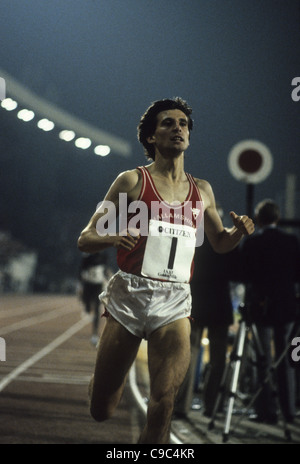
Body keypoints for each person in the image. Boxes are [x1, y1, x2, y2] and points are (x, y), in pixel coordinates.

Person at [77, 97, 254, 444]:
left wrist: (238, 234)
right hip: (130, 297)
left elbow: (219, 242)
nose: (178, 128)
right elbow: (85, 238)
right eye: (168, 123)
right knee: (102, 409)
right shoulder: (131, 182)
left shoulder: (202, 190)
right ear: (151, 139)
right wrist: (113, 236)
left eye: (183, 124)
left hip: (174, 302)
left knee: (163, 403)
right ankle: (100, 383)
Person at [174, 206, 239, 419]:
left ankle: (181, 406)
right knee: (218, 359)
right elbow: (236, 271)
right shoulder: (227, 241)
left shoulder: (191, 238)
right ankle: (212, 405)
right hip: (220, 304)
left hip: (195, 302)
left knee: (188, 356)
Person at [239, 199, 300, 424]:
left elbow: (243, 275)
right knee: (286, 360)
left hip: (261, 307)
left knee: (262, 359)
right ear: (277, 217)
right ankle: (289, 410)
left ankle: (266, 411)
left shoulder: (253, 244)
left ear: (259, 219)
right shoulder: (292, 241)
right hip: (286, 307)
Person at [79, 252, 111, 346]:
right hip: (88, 284)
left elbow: (105, 269)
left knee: (97, 309)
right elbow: (81, 270)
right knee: (87, 306)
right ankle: (88, 308)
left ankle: (95, 334)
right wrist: (80, 284)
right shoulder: (87, 256)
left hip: (98, 285)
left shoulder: (103, 255)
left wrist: (109, 277)